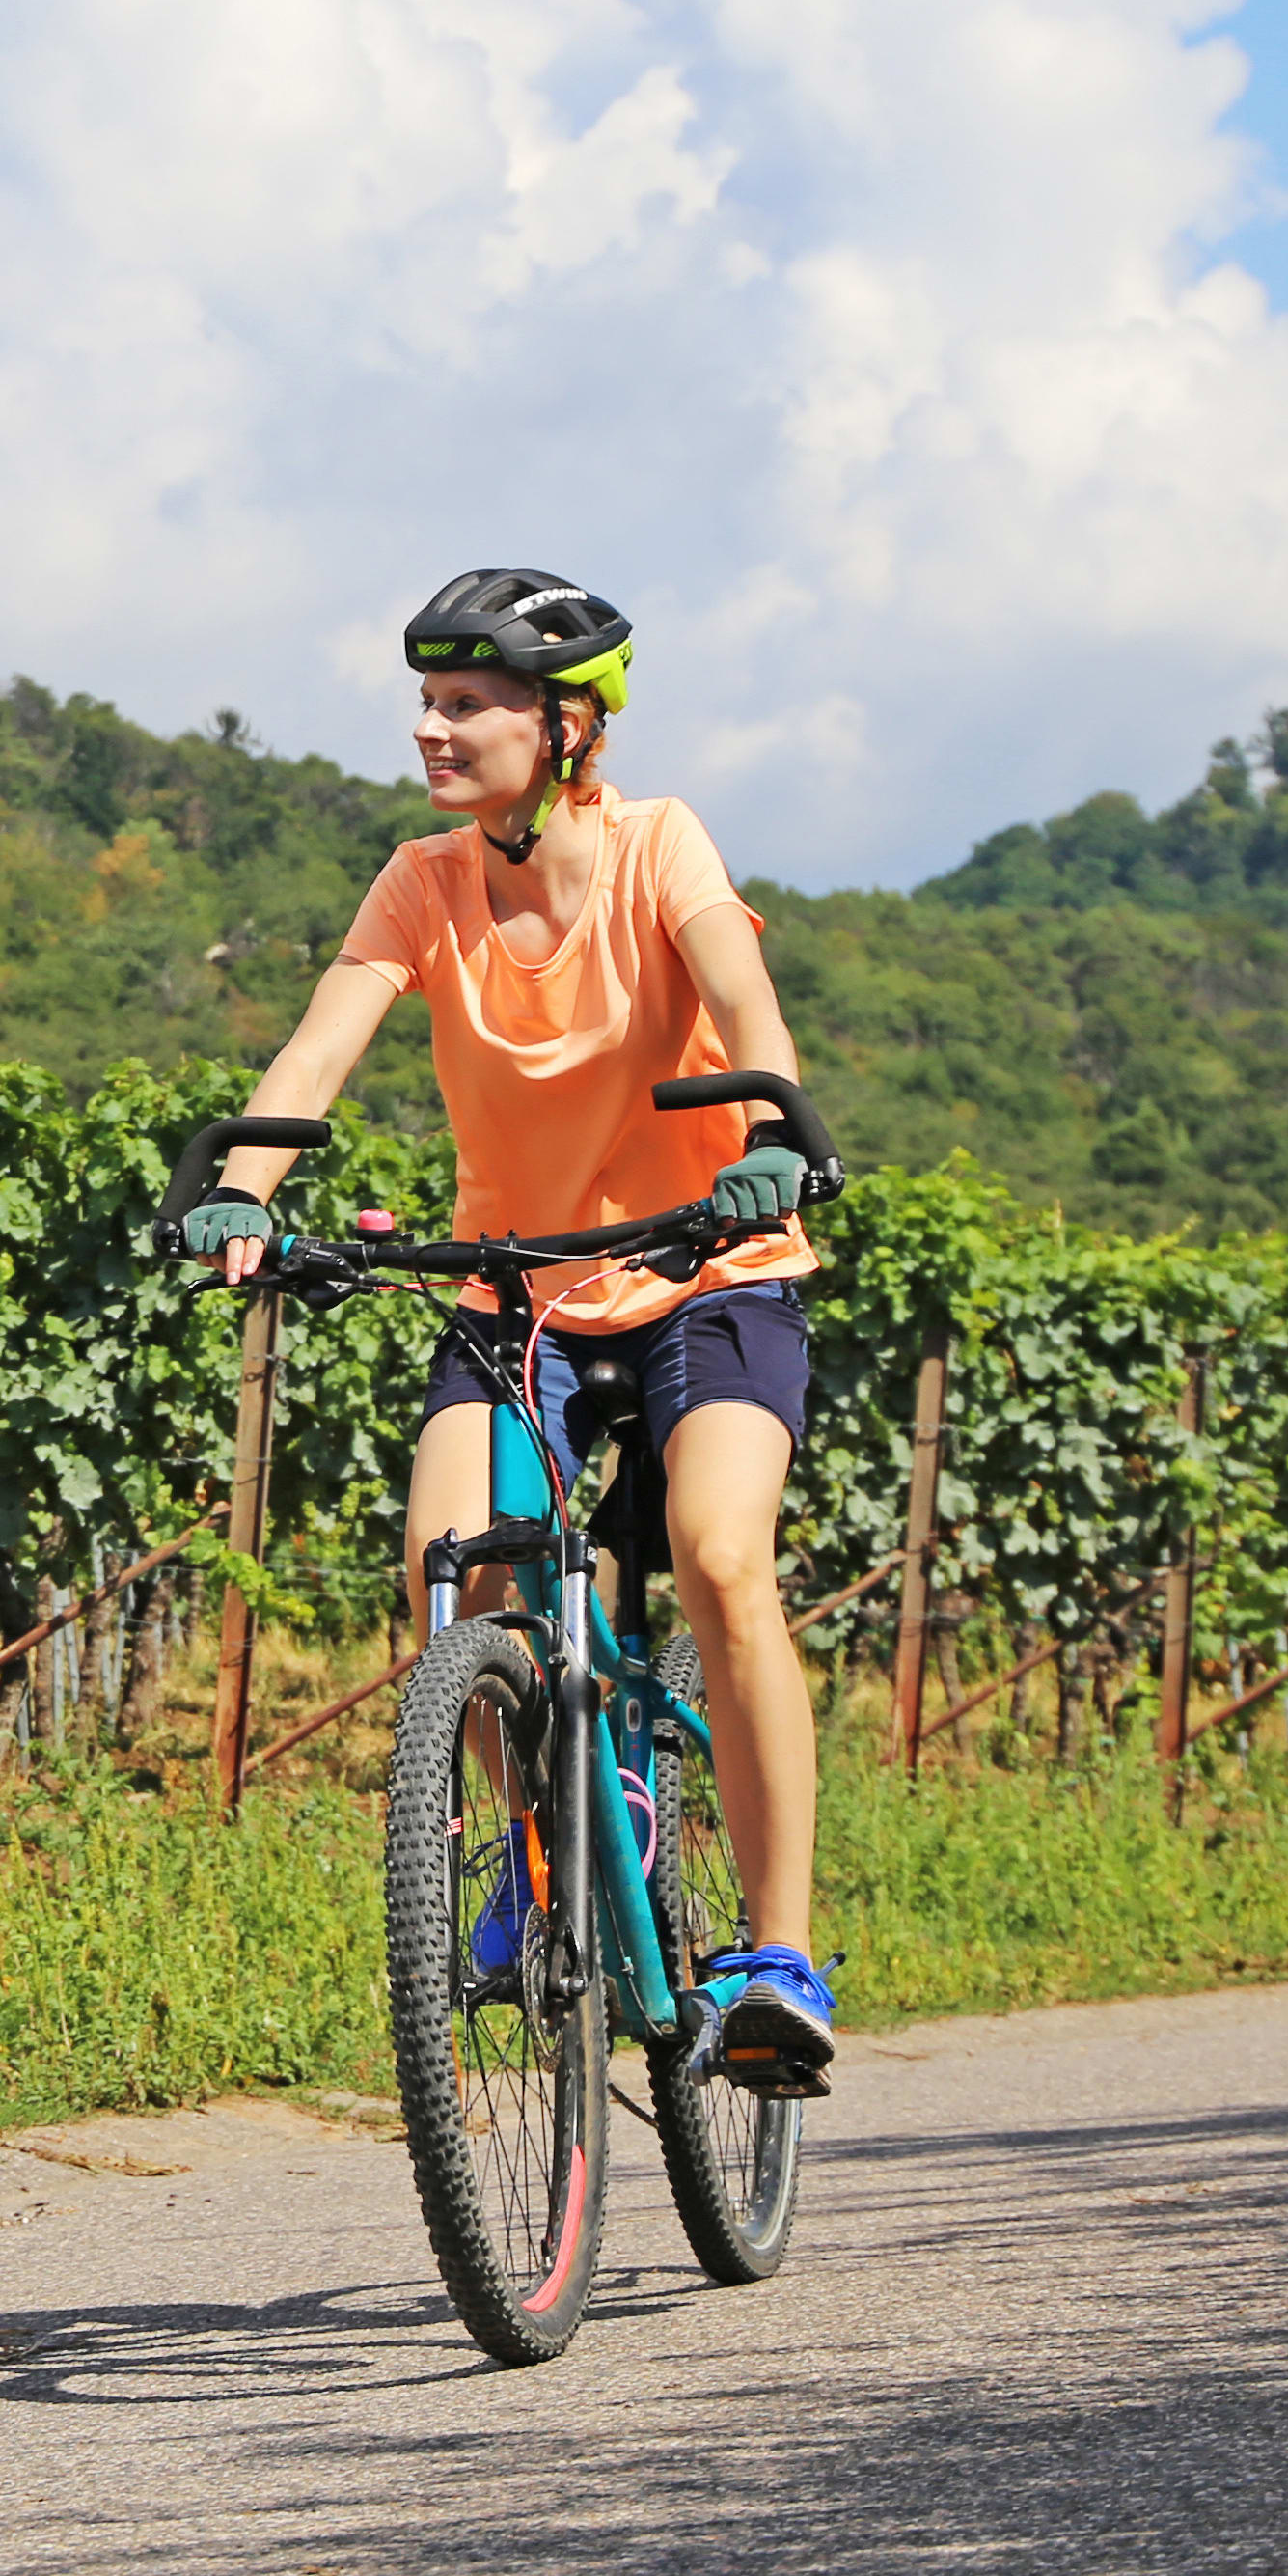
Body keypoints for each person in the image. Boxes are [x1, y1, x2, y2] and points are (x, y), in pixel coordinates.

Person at [178, 570, 841, 2095]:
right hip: (519, 1288)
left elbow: (744, 1001)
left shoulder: (659, 846)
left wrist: (766, 1133)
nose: (435, 728)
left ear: (569, 727)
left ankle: (780, 1955)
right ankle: (542, 1849)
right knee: (459, 1580)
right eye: (428, 701)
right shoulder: (420, 882)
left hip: (708, 1267)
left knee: (724, 1556)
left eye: (470, 705)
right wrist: (242, 1188)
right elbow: (318, 1047)